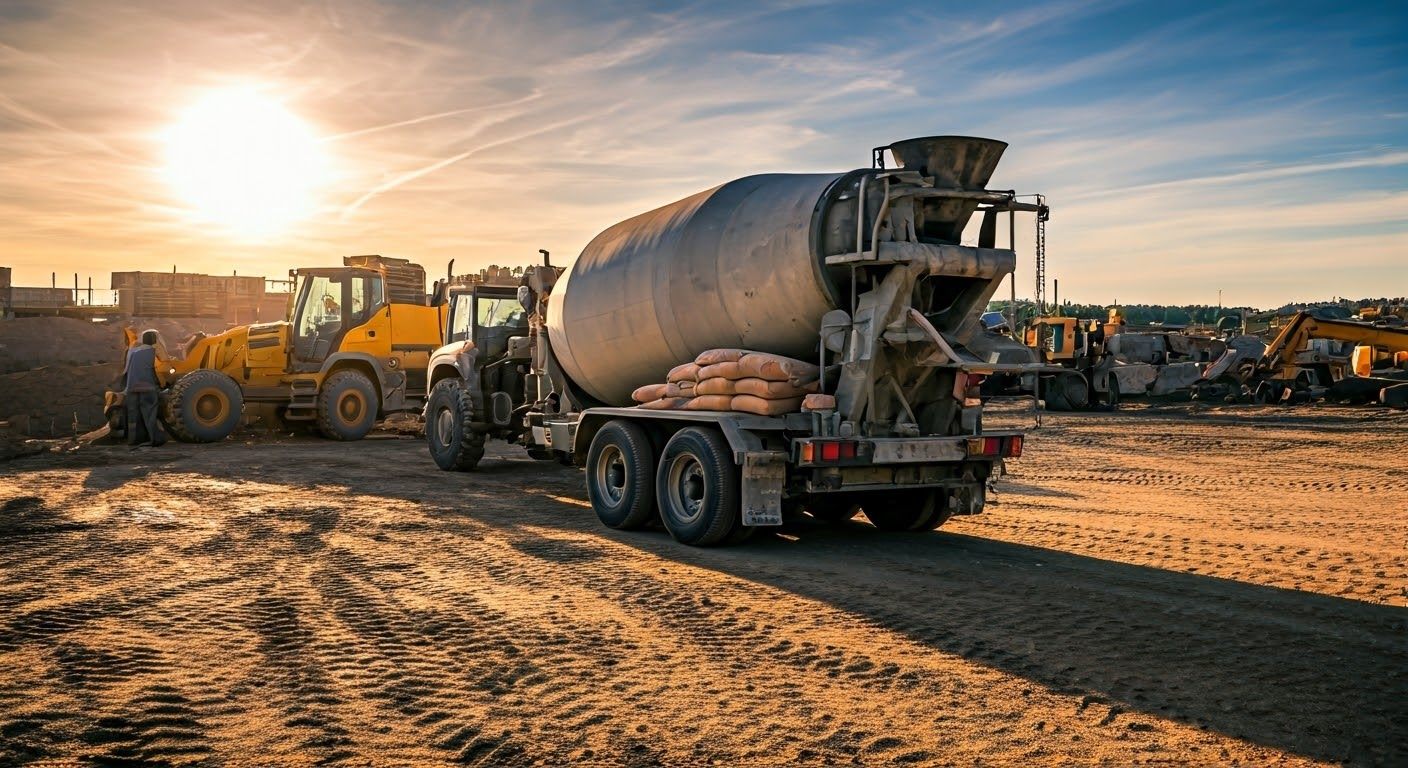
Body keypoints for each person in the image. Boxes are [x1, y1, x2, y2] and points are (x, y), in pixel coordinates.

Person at [123, 329, 167, 447]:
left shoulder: (133, 351)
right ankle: (155, 439)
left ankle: (134, 440)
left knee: (134, 416)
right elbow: (163, 365)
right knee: (149, 414)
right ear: (154, 340)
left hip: (132, 388)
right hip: (148, 388)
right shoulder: (153, 352)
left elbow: (128, 369)